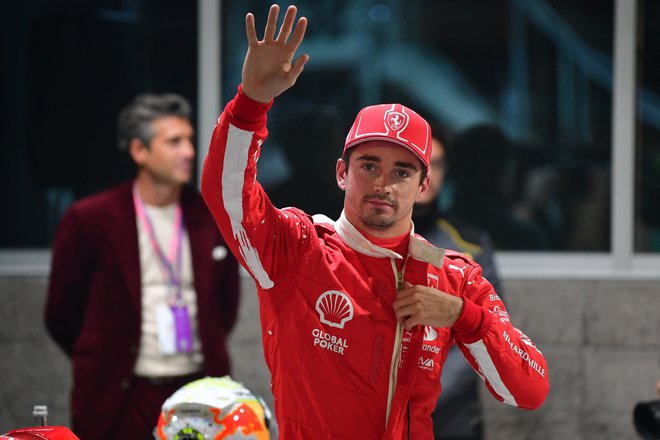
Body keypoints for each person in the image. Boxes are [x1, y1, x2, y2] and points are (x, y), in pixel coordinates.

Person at [201, 4, 549, 438]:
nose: (383, 182)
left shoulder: (455, 276)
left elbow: (529, 390)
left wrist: (464, 316)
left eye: (402, 172)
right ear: (342, 173)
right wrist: (250, 103)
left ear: (424, 187)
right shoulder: (297, 248)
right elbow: (225, 194)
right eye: (369, 165)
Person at [45, 93, 240, 440]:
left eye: (190, 141)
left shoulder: (209, 217)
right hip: (120, 393)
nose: (189, 152)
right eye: (174, 142)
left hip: (198, 388)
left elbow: (224, 305)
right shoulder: (90, 219)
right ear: (139, 151)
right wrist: (103, 352)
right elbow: (61, 312)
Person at [412, 127, 501, 440]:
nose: (427, 176)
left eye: (436, 165)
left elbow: (487, 332)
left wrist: (422, 394)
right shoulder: (368, 242)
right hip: (378, 409)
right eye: (419, 163)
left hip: (450, 416)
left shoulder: (470, 244)